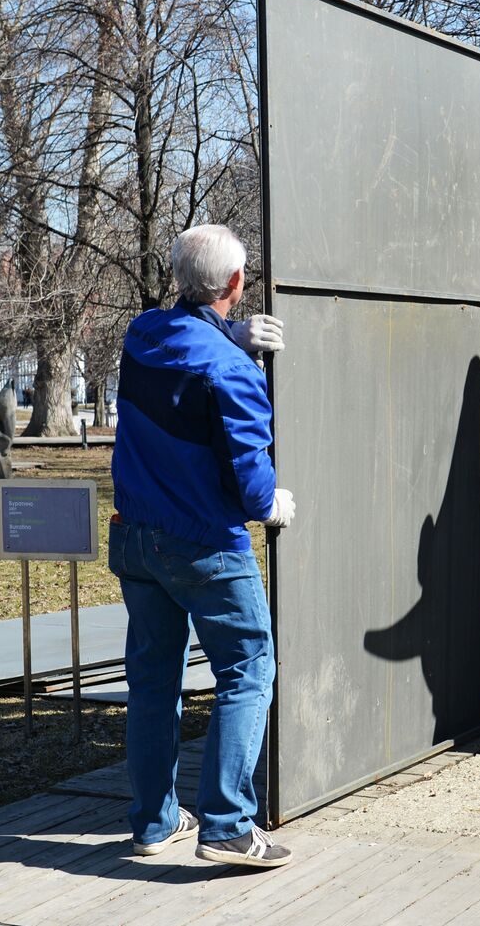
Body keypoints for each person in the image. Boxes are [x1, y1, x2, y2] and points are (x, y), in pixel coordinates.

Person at [110, 224, 295, 867]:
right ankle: (227, 827)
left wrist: (229, 333)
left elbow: (180, 358)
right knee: (249, 669)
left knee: (152, 682)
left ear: (178, 276)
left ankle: (154, 824)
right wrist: (272, 505)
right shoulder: (233, 371)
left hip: (135, 542)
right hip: (204, 547)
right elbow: (250, 481)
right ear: (237, 283)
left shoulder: (141, 334)